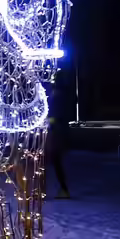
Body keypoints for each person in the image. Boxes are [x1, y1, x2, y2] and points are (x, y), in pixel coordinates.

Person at [46, 71, 72, 199]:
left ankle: (63, 189)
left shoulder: (58, 95)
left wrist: (50, 120)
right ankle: (62, 189)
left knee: (54, 161)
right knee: (54, 161)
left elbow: (58, 114)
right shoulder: (57, 94)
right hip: (55, 132)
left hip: (56, 133)